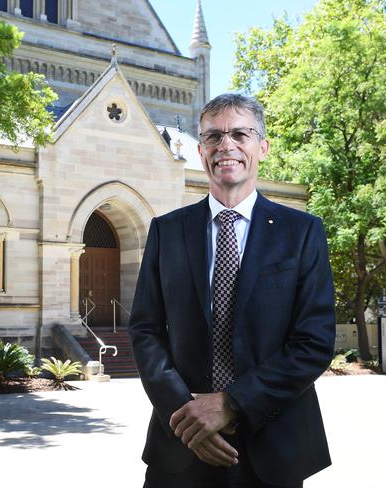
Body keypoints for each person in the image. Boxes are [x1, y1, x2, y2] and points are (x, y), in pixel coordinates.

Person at [128, 93, 336, 488]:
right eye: (212, 136)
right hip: (181, 443)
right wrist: (189, 415)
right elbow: (145, 330)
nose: (226, 145)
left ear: (262, 147)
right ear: (201, 149)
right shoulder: (167, 231)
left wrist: (230, 403)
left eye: (240, 133)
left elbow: (313, 342)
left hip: (273, 443)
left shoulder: (302, 232)